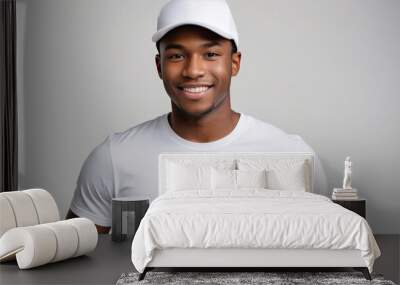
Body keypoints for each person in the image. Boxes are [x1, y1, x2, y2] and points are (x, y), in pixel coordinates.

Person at [66, 0, 328, 234]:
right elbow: (78, 261)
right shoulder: (113, 158)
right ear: (159, 66)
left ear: (234, 63)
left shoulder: (293, 155)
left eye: (211, 54)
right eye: (177, 55)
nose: (193, 70)